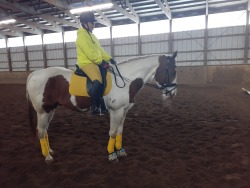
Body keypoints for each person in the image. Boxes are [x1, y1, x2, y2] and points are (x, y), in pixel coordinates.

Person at [76, 11, 117, 115]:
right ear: (85, 23)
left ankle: (102, 104)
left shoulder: (93, 36)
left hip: (95, 62)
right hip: (86, 63)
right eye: (92, 23)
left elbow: (100, 50)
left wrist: (109, 58)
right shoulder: (81, 36)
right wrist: (100, 62)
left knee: (104, 78)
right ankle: (94, 107)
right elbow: (89, 53)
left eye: (93, 23)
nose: (94, 25)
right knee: (97, 80)